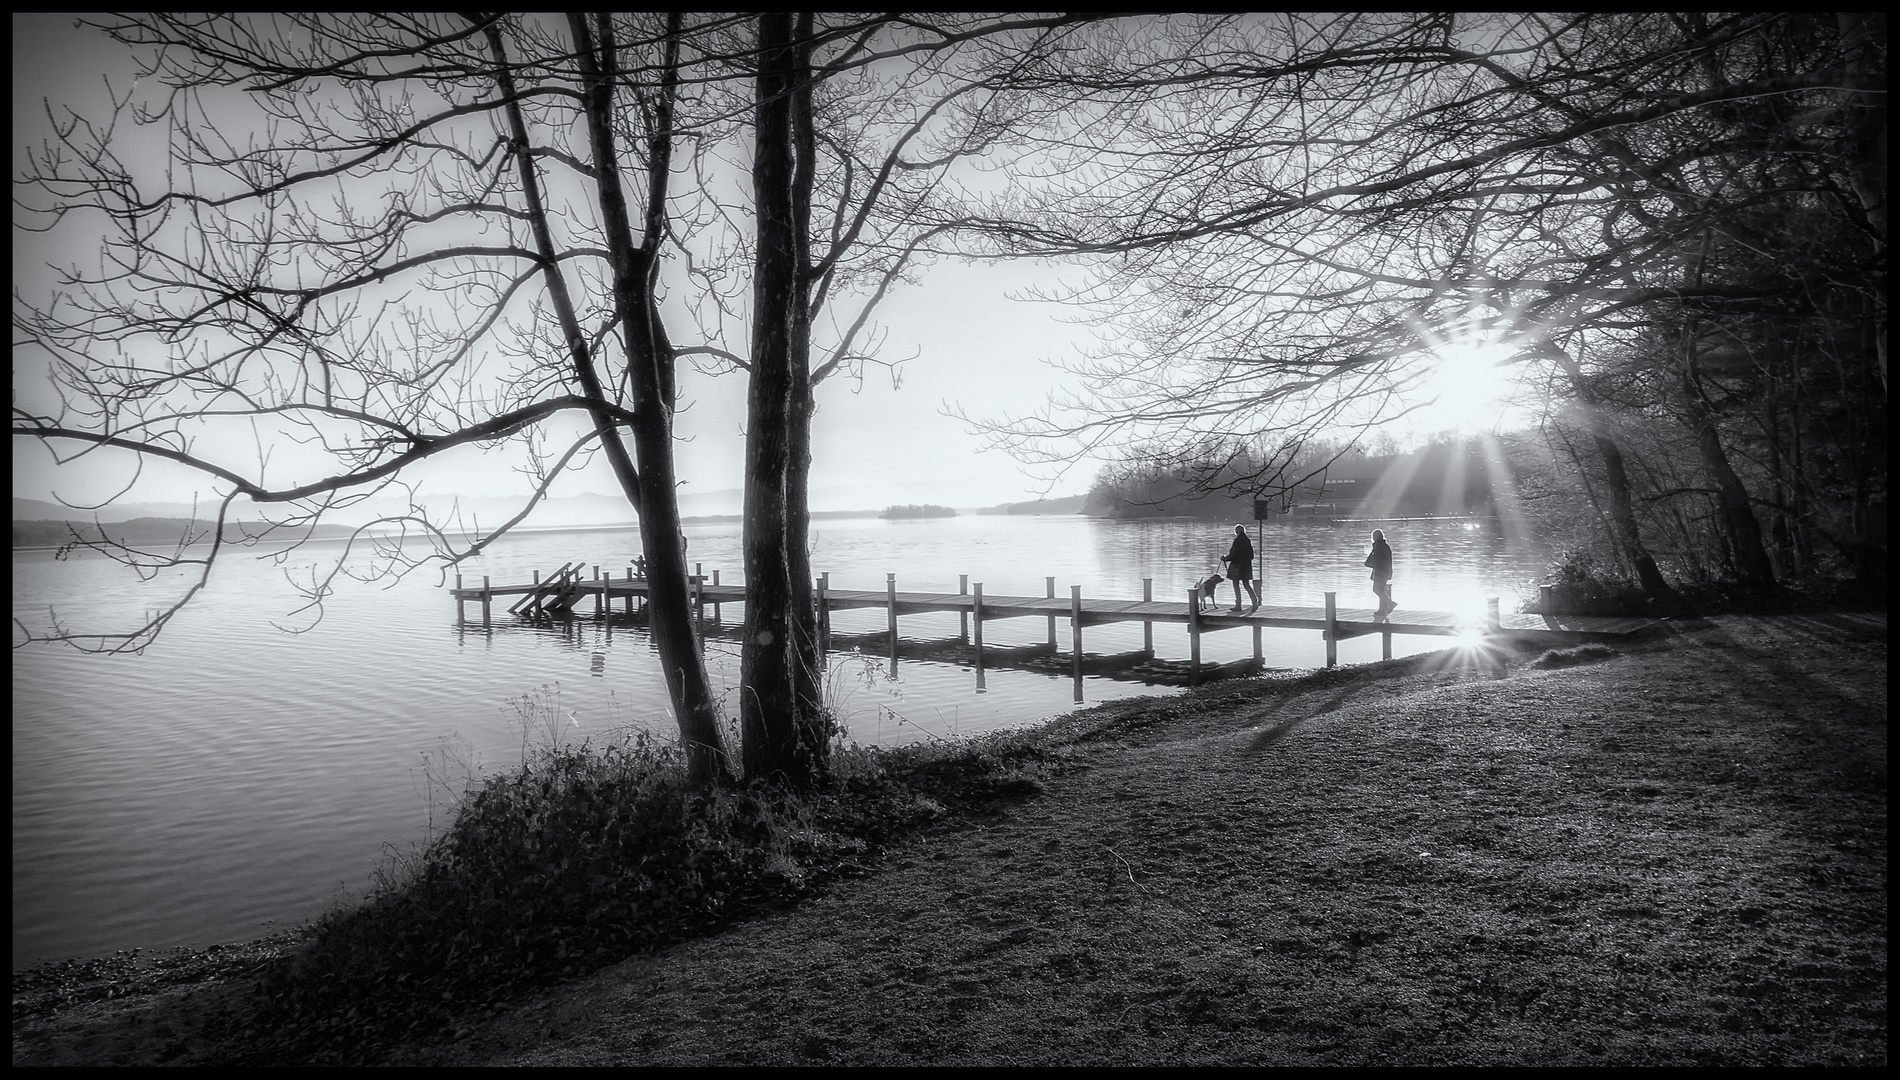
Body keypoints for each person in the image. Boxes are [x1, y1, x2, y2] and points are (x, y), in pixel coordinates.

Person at [1220, 523, 1262, 613]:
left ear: (1237, 531)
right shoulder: (1247, 540)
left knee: (1236, 585)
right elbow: (1251, 555)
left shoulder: (1237, 541)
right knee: (1246, 585)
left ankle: (1238, 605)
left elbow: (1234, 555)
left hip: (1237, 568)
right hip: (1246, 567)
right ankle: (1254, 602)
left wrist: (1225, 558)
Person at [1365, 529, 1395, 620]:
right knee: (1380, 590)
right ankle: (1382, 610)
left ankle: (1390, 603)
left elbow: (1376, 561)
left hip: (1380, 572)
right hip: (1386, 572)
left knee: (1376, 590)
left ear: (1375, 537)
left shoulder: (1378, 546)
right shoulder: (1385, 546)